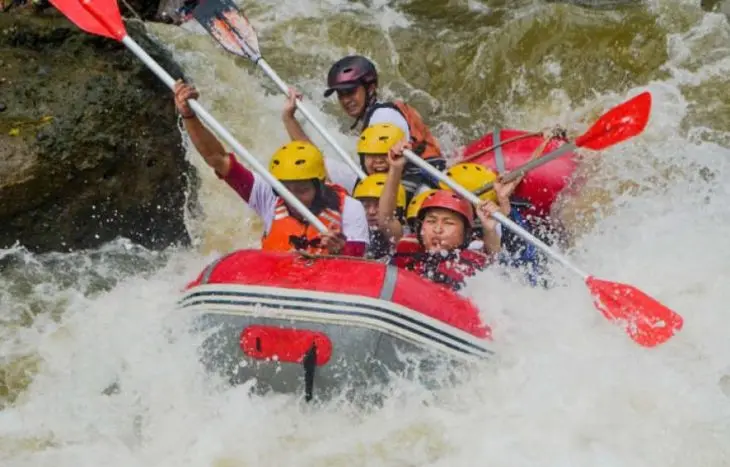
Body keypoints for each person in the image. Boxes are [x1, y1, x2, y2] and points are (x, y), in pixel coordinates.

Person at [174, 80, 370, 256]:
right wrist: (189, 115)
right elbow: (218, 159)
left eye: (302, 190)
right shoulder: (269, 197)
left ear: (321, 185)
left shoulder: (350, 208)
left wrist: (341, 250)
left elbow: (360, 261)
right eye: (287, 190)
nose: (293, 199)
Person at [282, 55, 446, 198]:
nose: (346, 100)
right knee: (318, 165)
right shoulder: (377, 115)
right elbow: (314, 161)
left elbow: (384, 173)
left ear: (370, 88)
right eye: (341, 94)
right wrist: (289, 117)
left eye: (351, 92)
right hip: (401, 182)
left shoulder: (383, 118)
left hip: (418, 186)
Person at [382, 143, 516, 291]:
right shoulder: (408, 244)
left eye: (448, 223)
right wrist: (395, 169)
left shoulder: (475, 257)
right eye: (431, 221)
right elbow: (386, 219)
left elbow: (493, 255)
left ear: (465, 233)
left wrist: (491, 227)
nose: (438, 229)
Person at [352, 173, 407, 260]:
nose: (371, 212)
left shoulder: (404, 238)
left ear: (398, 210)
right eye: (365, 205)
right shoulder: (352, 234)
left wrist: (395, 169)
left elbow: (387, 219)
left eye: (379, 205)